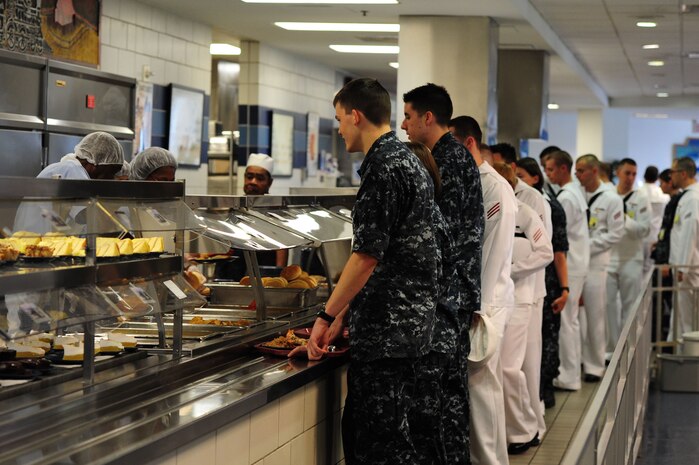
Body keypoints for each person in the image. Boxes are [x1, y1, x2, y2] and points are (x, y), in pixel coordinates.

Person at [306, 78, 443, 464]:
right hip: (408, 331)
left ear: (356, 115)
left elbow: (366, 257)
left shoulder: (383, 168)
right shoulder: (407, 161)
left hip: (388, 335)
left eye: (339, 119)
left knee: (377, 447)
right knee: (391, 441)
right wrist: (347, 312)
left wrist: (326, 314)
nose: (339, 128)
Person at [402, 83, 483, 465]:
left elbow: (441, 236)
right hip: (454, 296)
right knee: (449, 402)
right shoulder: (452, 156)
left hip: (445, 299)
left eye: (408, 116)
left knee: (436, 406)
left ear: (427, 118)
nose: (403, 125)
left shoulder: (446, 160)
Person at [450, 115, 516, 465]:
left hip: (486, 304)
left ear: (469, 143)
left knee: (483, 391)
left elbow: (492, 253)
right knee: (482, 392)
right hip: (480, 302)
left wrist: (478, 310)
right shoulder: (471, 181)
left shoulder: (492, 187)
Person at [492, 161, 553, 456]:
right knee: (499, 369)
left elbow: (546, 252)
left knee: (510, 368)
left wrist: (513, 269)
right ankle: (511, 429)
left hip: (523, 298)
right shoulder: (490, 213)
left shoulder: (527, 214)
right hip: (495, 300)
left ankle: (525, 427)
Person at [516, 157, 569, 413]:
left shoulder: (544, 205)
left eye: (521, 177)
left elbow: (555, 251)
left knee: (540, 346)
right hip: (529, 286)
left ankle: (544, 392)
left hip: (542, 284)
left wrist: (565, 288)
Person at [575, 154, 624, 381]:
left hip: (596, 263)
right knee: (574, 317)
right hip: (575, 262)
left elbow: (616, 233)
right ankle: (576, 361)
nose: (578, 175)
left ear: (594, 171)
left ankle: (595, 366)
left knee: (595, 315)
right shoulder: (576, 193)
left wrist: (587, 245)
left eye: (582, 170)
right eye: (576, 171)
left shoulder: (611, 198)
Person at [544, 150, 590, 392]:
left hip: (570, 265)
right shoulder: (573, 193)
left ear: (563, 168)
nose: (547, 173)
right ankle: (570, 372)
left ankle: (569, 375)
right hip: (576, 264)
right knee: (571, 321)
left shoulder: (567, 198)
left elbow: (561, 237)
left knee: (566, 321)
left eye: (550, 169)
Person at [606, 158, 651, 355]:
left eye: (634, 174)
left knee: (629, 308)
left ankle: (627, 351)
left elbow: (644, 229)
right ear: (618, 172)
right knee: (607, 307)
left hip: (631, 259)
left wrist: (623, 219)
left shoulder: (640, 198)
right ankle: (610, 350)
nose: (631, 178)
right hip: (608, 259)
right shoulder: (607, 195)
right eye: (627, 173)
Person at [668, 156, 699, 341]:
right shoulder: (687, 196)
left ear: (683, 173)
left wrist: (682, 267)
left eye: (673, 172)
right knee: (682, 317)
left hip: (689, 270)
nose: (671, 176)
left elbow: (690, 233)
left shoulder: (692, 198)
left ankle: (689, 363)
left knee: (688, 320)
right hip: (686, 268)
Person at [651, 169, 682, 342]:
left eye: (662, 182)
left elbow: (671, 234)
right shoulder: (673, 201)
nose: (660, 186)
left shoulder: (677, 202)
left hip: (667, 262)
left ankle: (664, 340)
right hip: (664, 257)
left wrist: (663, 261)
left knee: (668, 303)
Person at [37, 131, 124, 180]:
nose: (112, 179)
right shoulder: (74, 172)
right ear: (93, 165)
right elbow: (84, 211)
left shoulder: (68, 167)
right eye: (110, 173)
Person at [639, 165, 670, 273]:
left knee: (638, 268)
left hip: (640, 235)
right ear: (657, 178)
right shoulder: (662, 194)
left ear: (644, 176)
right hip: (656, 235)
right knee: (652, 269)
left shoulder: (638, 192)